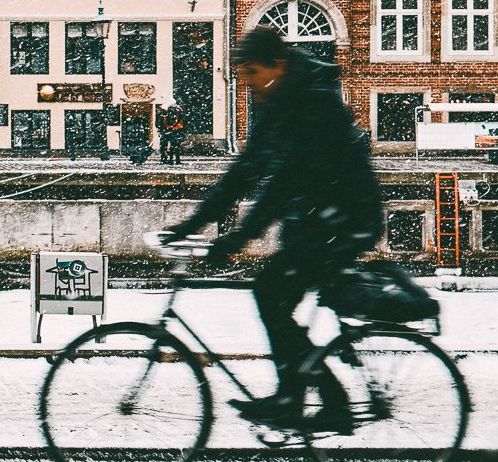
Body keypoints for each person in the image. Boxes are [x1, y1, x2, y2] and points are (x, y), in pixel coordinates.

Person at [161, 25, 385, 433]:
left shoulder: (314, 101)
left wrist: (235, 239)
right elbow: (247, 170)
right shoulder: (278, 98)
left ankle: (318, 403)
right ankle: (299, 400)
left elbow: (286, 184)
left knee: (270, 295)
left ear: (277, 65)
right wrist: (191, 224)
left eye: (251, 73)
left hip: (346, 219)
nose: (247, 84)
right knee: (274, 299)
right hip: (317, 218)